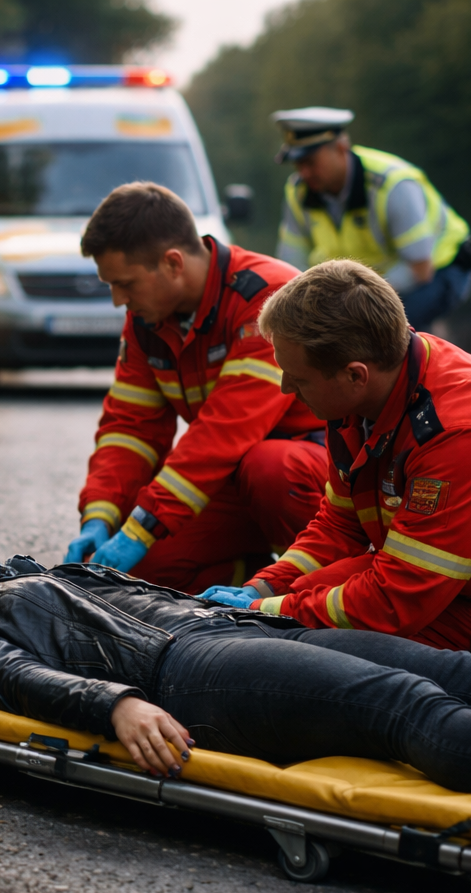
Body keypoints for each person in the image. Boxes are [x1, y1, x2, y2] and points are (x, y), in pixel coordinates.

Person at [0, 538, 471, 797]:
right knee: (403, 704)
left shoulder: (13, 580)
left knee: (461, 675)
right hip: (192, 673)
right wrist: (115, 704)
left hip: (232, 631)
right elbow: (11, 679)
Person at [199, 260, 471, 663]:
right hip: (449, 589)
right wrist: (266, 588)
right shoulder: (364, 394)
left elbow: (396, 601)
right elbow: (340, 524)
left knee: (305, 651)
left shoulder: (460, 433)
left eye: (299, 378)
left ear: (355, 375)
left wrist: (270, 612)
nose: (286, 387)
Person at [62, 182, 326, 593]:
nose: (117, 300)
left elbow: (224, 432)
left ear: (172, 263)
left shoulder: (268, 298)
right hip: (233, 478)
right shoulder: (149, 318)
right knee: (138, 570)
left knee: (269, 467)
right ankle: (251, 582)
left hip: (315, 473)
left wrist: (141, 527)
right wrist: (100, 514)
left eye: (126, 284)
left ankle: (321, 587)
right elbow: (130, 429)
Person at [273, 107, 471, 332]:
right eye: (298, 164)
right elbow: (292, 266)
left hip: (440, 269)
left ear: (341, 147)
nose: (304, 173)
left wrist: (351, 301)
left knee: (381, 333)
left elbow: (419, 268)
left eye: (310, 162)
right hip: (363, 286)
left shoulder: (393, 185)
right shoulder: (299, 191)